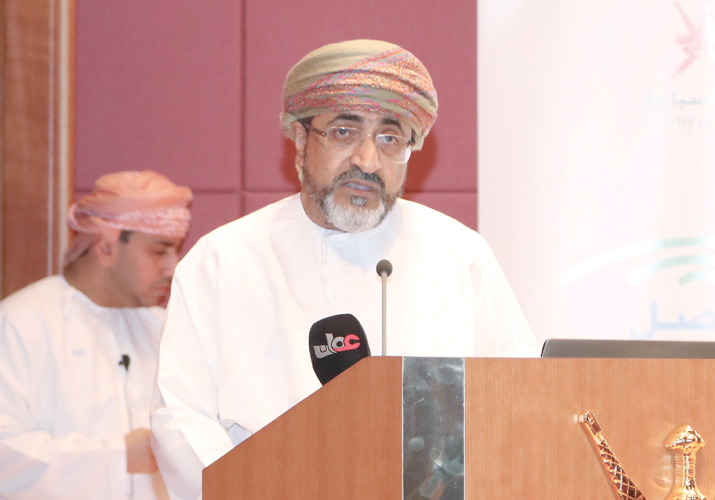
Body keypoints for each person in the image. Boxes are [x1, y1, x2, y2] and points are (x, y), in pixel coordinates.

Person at [150, 39, 539, 499]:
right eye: (343, 132)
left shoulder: (460, 255)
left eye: (390, 138)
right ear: (300, 140)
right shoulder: (222, 261)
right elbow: (182, 415)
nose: (367, 161)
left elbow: (521, 396)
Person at [0, 171, 192, 499]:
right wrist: (117, 456)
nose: (172, 268)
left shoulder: (166, 328)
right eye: (160, 251)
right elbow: (6, 457)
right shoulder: (21, 324)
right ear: (105, 248)